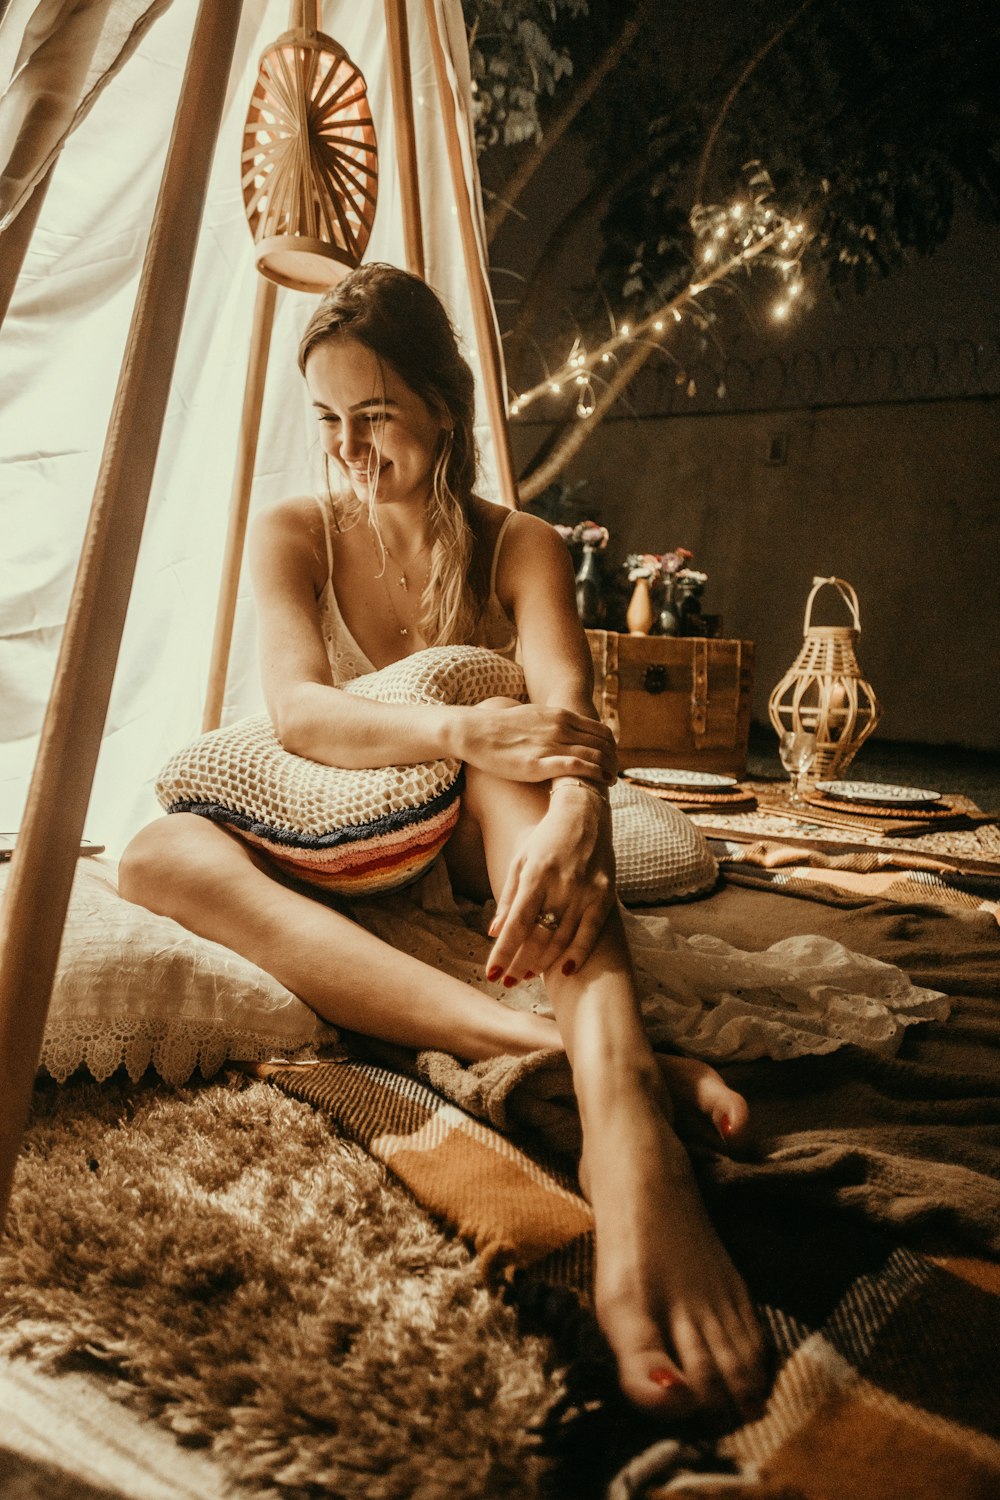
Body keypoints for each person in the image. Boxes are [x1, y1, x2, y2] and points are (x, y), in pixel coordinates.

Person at [119, 263, 767, 1423]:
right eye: (327, 420)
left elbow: (572, 724)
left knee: (513, 751)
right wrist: (463, 719)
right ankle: (546, 1048)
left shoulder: (518, 543)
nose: (349, 449)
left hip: (489, 851)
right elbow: (301, 714)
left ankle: (626, 1132)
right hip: (352, 846)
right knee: (155, 856)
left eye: (375, 418)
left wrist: (571, 807)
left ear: (442, 411)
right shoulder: (295, 531)